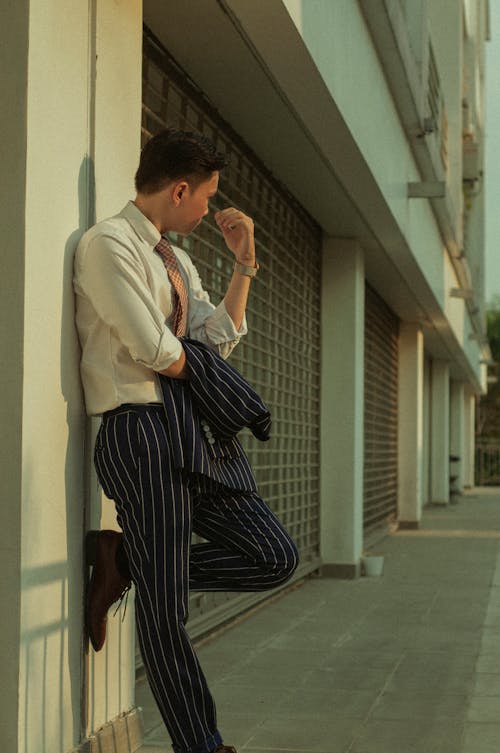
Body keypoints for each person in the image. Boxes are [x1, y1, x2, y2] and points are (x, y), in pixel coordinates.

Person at [73, 128, 299, 753]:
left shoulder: (176, 259)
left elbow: (215, 336)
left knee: (273, 555)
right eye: (207, 197)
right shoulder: (107, 245)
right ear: (178, 189)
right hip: (141, 431)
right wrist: (217, 380)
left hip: (191, 435)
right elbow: (153, 347)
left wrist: (245, 263)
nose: (209, 209)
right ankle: (201, 744)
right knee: (167, 613)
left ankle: (127, 562)